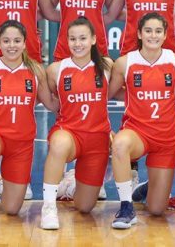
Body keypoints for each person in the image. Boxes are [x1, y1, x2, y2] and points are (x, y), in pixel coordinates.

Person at [0, 20, 57, 231]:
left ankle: (0, 185)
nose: (12, 45)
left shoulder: (35, 70)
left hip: (21, 144)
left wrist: (78, 98)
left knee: (11, 208)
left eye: (17, 41)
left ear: (25, 43)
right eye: (6, 41)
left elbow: (51, 103)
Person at [107, 13, 175, 229]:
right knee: (120, 144)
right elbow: (110, 93)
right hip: (137, 132)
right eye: (148, 31)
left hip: (166, 136)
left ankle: (146, 187)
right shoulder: (125, 62)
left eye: (158, 31)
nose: (153, 35)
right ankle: (126, 206)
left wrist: (169, 101)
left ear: (165, 35)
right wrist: (132, 97)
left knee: (156, 209)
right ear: (139, 34)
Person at [39, 18, 113, 230]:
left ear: (93, 40)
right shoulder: (56, 69)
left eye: (82, 38)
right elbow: (52, 102)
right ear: (66, 41)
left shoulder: (107, 66)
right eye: (72, 39)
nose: (77, 43)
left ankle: (70, 185)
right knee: (59, 144)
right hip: (69, 133)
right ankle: (49, 206)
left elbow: (117, 93)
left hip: (97, 139)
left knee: (84, 206)